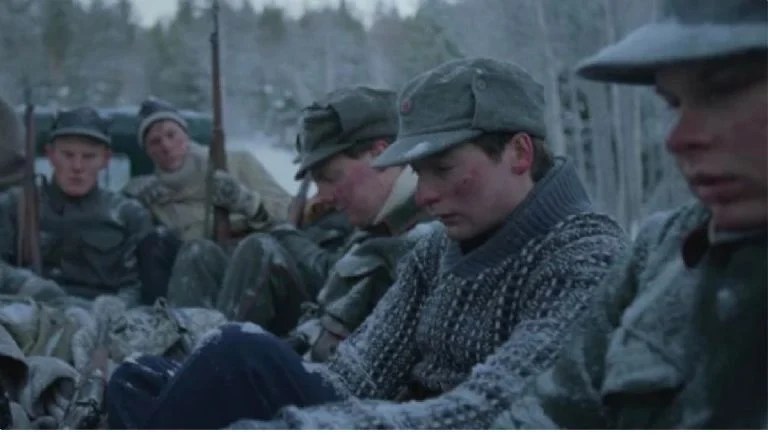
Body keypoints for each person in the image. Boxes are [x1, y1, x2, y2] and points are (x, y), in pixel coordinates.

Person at [106, 58, 628, 429]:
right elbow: (359, 373)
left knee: (236, 355)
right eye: (419, 172)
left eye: (443, 169)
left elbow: (498, 410)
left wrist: (296, 425)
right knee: (140, 378)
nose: (424, 194)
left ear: (518, 153)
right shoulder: (437, 248)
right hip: (388, 418)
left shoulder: (586, 256)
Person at [491, 0, 767, 429]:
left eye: (723, 92)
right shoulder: (662, 251)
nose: (678, 137)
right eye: (674, 103)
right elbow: (546, 415)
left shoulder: (583, 249)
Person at [163, 86, 436, 344]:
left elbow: (338, 284)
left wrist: (284, 233)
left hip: (328, 341)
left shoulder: (424, 227)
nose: (323, 194)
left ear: (381, 153)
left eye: (331, 177)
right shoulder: (372, 211)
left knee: (259, 250)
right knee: (199, 253)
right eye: (317, 181)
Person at [0, 106, 153, 307]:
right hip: (30, 311)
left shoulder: (129, 215)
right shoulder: (16, 205)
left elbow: (142, 285)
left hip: (102, 317)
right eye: (68, 155)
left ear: (105, 159)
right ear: (51, 155)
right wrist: (25, 284)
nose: (77, 167)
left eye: (89, 157)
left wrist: (116, 307)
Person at [123, 97, 292, 242]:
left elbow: (291, 212)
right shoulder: (153, 197)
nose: (166, 146)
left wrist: (248, 203)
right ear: (148, 151)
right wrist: (130, 200)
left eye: (171, 135)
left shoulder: (238, 163)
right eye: (155, 142)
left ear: (186, 136)